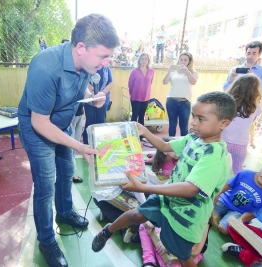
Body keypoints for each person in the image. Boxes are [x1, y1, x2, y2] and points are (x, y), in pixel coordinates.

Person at [17, 14, 119, 267]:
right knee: (45, 184)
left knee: (67, 170)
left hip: (61, 124)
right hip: (37, 127)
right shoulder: (45, 66)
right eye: (103, 56)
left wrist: (90, 97)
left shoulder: (86, 64)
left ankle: (64, 212)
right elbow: (40, 122)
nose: (107, 63)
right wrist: (79, 145)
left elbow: (74, 87)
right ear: (81, 47)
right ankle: (47, 239)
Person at [91, 91, 237, 267]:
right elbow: (165, 146)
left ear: (224, 123)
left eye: (201, 118)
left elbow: (191, 189)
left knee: (183, 256)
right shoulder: (195, 138)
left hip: (186, 216)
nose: (193, 122)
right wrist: (144, 131)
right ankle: (108, 230)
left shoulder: (214, 156)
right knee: (136, 214)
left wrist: (144, 188)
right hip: (167, 200)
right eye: (193, 116)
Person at [223, 41, 262, 149]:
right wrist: (231, 81)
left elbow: (261, 91)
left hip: (250, 106)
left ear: (259, 54)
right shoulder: (235, 69)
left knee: (244, 128)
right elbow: (225, 89)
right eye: (248, 53)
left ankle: (244, 145)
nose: (250, 56)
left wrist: (254, 78)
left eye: (254, 53)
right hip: (233, 105)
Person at [223, 75, 262, 174]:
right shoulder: (256, 107)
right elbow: (251, 122)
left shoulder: (226, 103)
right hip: (240, 144)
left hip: (222, 140)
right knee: (237, 169)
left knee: (216, 166)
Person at [139, 221, 208, 266]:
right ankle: (149, 262)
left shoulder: (204, 216)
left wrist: (170, 245)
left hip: (187, 252)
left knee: (172, 263)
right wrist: (153, 221)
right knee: (145, 225)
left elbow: (195, 249)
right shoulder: (179, 201)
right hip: (170, 239)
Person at [163, 52, 198, 137]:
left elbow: (193, 82)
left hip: (185, 102)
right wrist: (168, 72)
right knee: (172, 124)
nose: (183, 61)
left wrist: (187, 72)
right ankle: (170, 144)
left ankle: (184, 145)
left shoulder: (192, 71)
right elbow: (164, 82)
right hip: (172, 100)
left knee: (184, 126)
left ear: (189, 61)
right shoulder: (173, 70)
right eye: (181, 59)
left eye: (185, 60)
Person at [82, 65, 114, 144]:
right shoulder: (88, 67)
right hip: (90, 99)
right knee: (90, 121)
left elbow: (111, 83)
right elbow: (85, 81)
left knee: (101, 121)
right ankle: (87, 143)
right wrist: (93, 93)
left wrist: (101, 93)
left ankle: (100, 143)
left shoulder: (107, 69)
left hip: (103, 99)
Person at [128, 52, 155, 141]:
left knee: (142, 116)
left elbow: (150, 83)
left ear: (148, 60)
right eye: (142, 59)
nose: (144, 60)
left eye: (146, 59)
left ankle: (141, 135)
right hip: (135, 97)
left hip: (145, 97)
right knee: (134, 116)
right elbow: (130, 84)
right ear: (139, 60)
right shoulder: (134, 71)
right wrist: (133, 94)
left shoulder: (151, 71)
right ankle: (132, 134)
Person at [70, 103, 85, 183]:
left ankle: (71, 173)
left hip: (80, 111)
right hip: (70, 113)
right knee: (69, 147)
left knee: (74, 147)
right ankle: (68, 175)